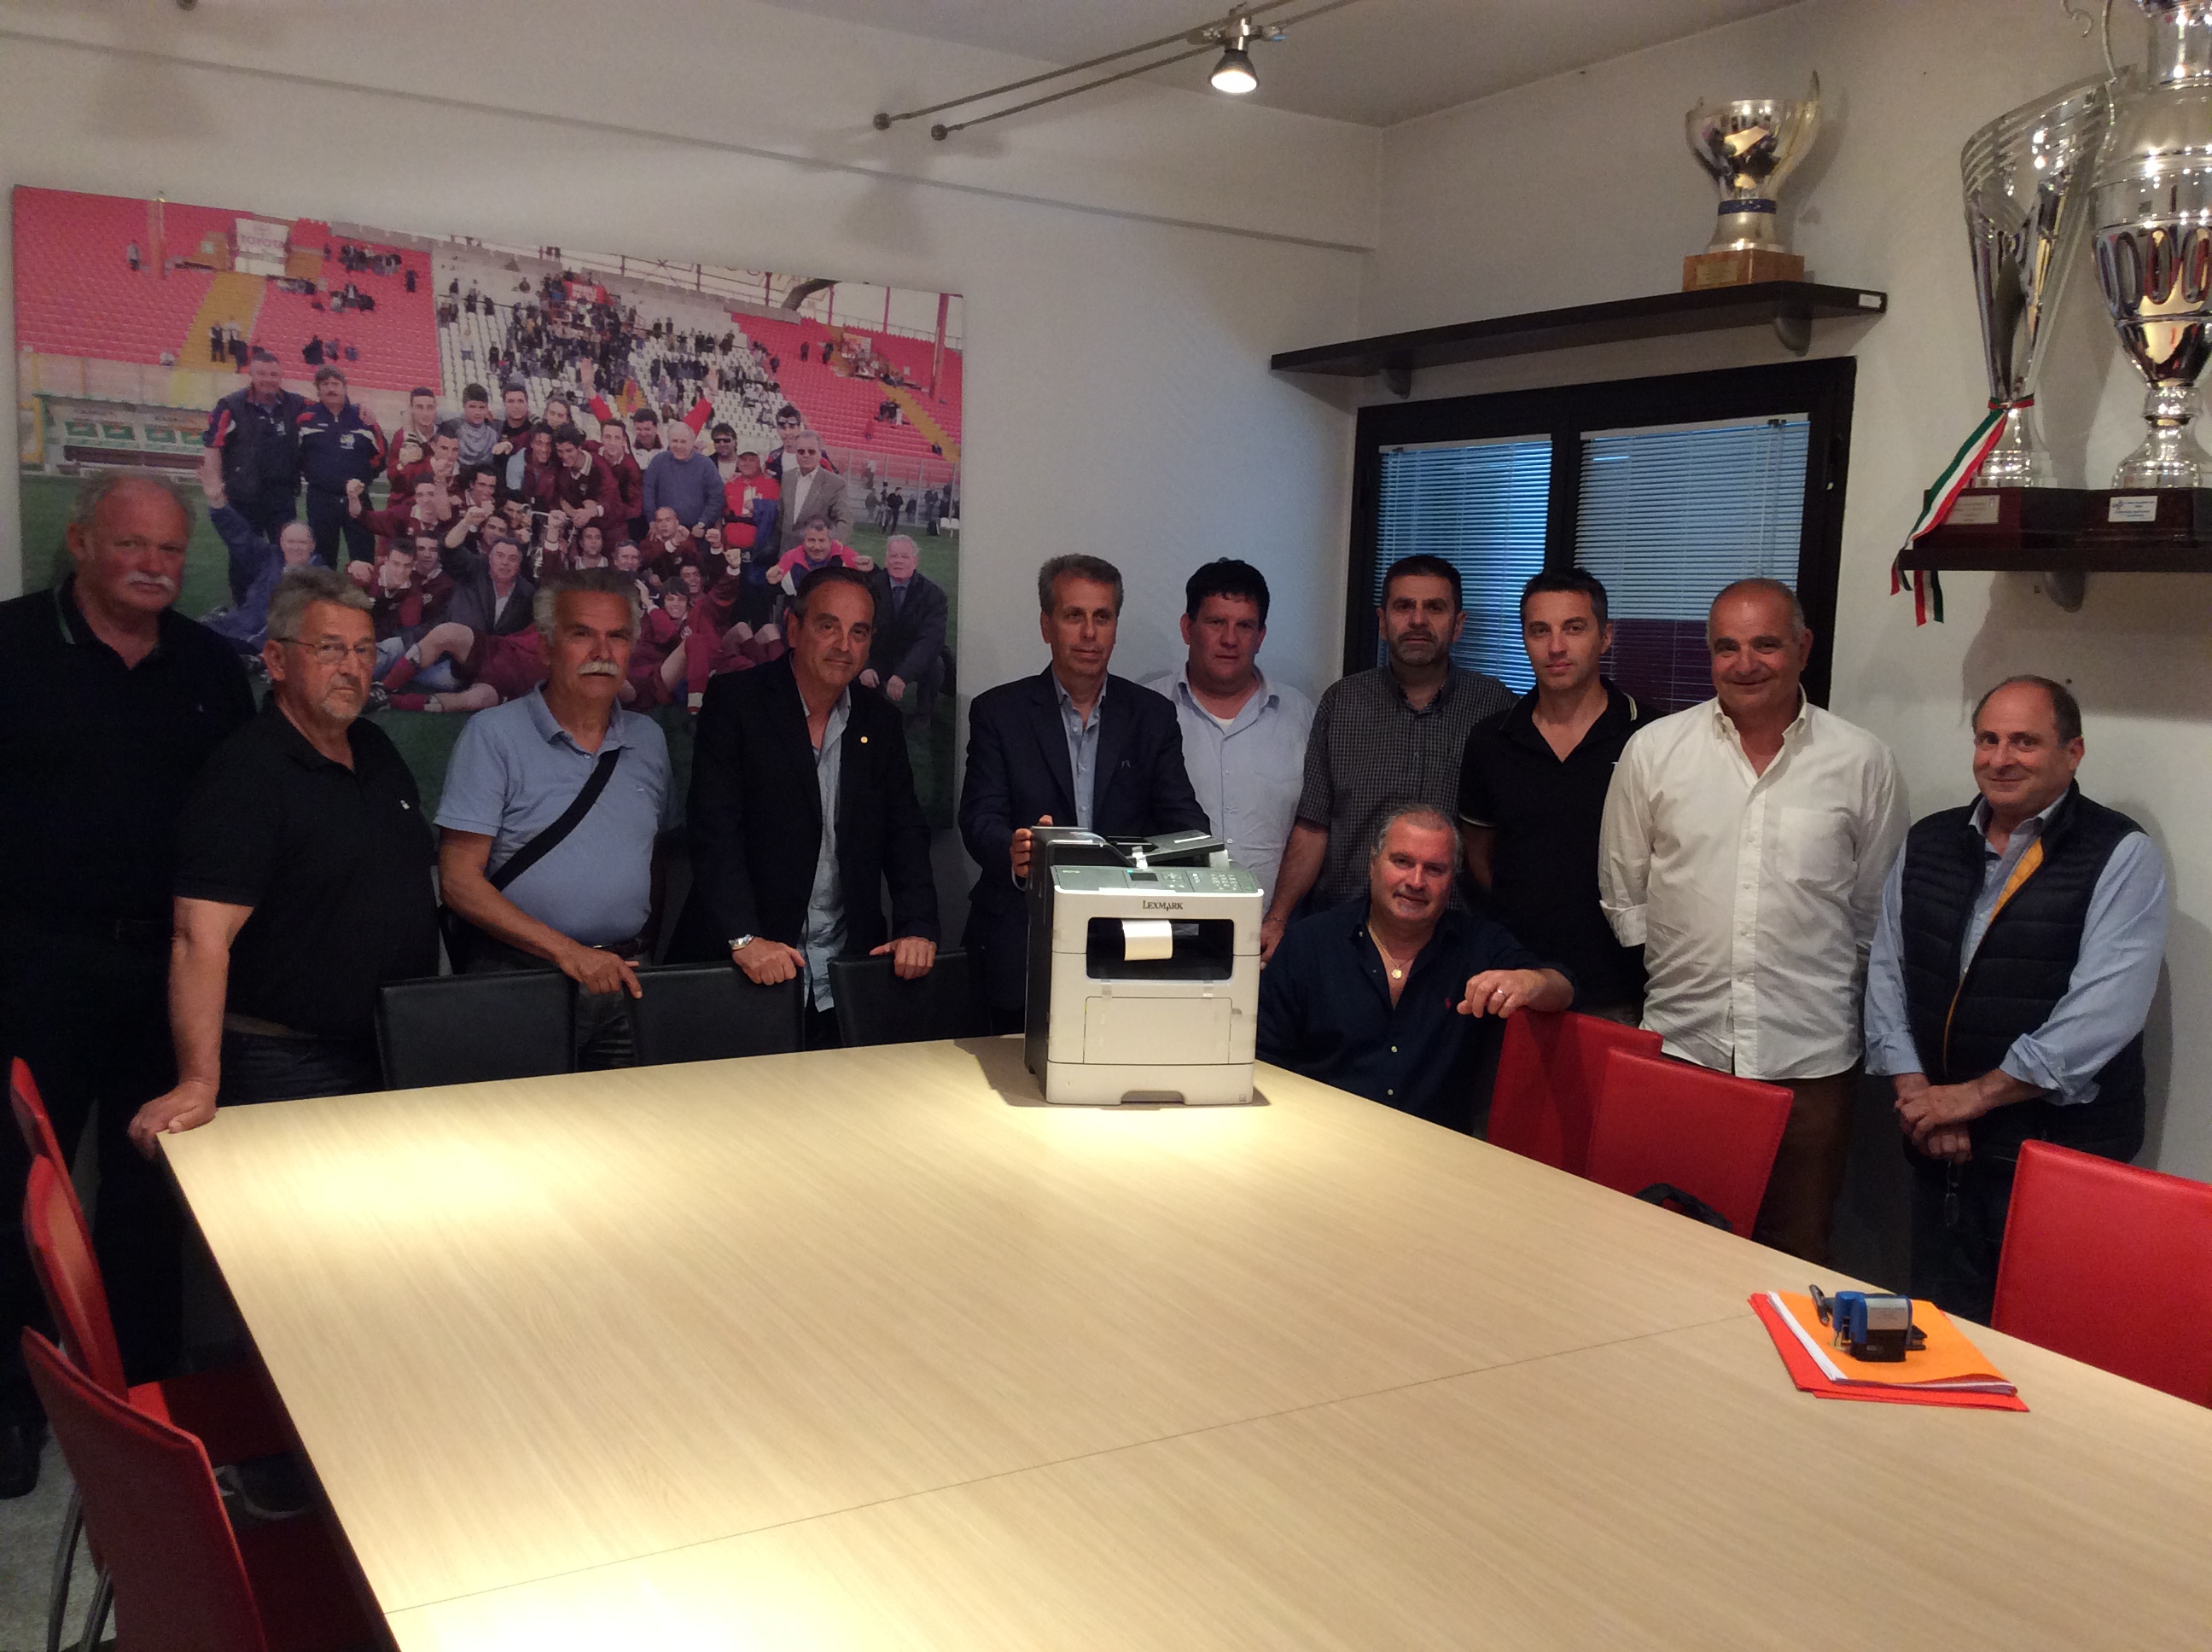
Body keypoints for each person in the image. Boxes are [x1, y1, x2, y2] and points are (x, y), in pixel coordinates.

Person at [0, 473, 254, 1498]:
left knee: (150, 1187)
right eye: (131, 545)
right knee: (17, 1187)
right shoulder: (13, 645)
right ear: (80, 543)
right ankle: (13, 1402)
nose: (153, 566)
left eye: (169, 550)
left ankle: (144, 1391)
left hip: (166, 965)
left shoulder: (207, 665)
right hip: (37, 961)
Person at [1598, 578, 1906, 1265]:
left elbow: (1874, 912)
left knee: (1795, 1251)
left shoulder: (1862, 762)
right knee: (1665, 1247)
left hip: (1809, 1060)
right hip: (1685, 1047)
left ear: (1803, 647)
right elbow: (1626, 893)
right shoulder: (1655, 751)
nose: (1744, 664)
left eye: (1765, 644)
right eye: (1726, 647)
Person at [1863, 676, 2168, 1323]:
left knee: (2043, 1339)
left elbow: (2102, 1014)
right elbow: (1889, 972)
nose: (2000, 759)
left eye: (2025, 742)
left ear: (2073, 752)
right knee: (1938, 1329)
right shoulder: (1930, 840)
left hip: (2058, 1155)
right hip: (1940, 1149)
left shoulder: (2120, 853)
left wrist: (1969, 1098)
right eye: (1988, 739)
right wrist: (1921, 1098)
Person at [131, 567, 436, 1125]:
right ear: (276, 660)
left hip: (395, 1045)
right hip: (287, 1061)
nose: (351, 667)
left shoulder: (374, 747)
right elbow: (198, 938)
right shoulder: (246, 776)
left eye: (364, 650)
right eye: (329, 648)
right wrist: (198, 1081)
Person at [680, 567, 940, 1047]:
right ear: (794, 628)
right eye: (828, 626)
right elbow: (714, 832)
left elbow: (905, 832)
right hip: (746, 967)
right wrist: (744, 938)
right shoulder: (738, 703)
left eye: (858, 632)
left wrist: (918, 927)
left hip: (844, 974)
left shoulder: (879, 721)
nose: (844, 645)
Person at [436, 569, 678, 1067]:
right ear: (546, 648)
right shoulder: (493, 736)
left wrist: (638, 949)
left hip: (627, 977)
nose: (601, 652)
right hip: (520, 980)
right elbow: (459, 882)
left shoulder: (649, 741)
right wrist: (567, 952)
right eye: (581, 634)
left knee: (631, 1116)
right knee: (524, 1118)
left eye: (617, 636)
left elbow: (654, 857)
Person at [958, 555, 1207, 1022]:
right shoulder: (999, 712)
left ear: (1115, 627)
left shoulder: (1151, 716)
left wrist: (1175, 862)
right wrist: (1015, 849)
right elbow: (978, 817)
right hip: (1021, 939)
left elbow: (1186, 823)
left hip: (1126, 942)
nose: (1089, 633)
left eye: (1102, 617)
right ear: (1046, 626)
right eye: (1074, 616)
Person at [1260, 806, 1573, 1131]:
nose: (1416, 881)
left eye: (1435, 869)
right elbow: (1265, 1060)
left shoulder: (1479, 945)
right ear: (1373, 864)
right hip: (1319, 1135)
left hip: (1434, 1149)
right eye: (1402, 862)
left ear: (1453, 879)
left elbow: (1564, 986)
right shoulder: (1309, 943)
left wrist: (1531, 982)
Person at [1261, 554, 1513, 960]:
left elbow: (1508, 840)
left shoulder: (1496, 711)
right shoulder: (1342, 704)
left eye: (1434, 607)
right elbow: (1312, 828)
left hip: (1458, 945)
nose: (1418, 620)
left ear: (1458, 624)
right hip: (1346, 937)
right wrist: (1278, 918)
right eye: (1403, 606)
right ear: (1382, 622)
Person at [1459, 568, 1645, 1021]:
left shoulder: (1650, 737)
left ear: (1605, 636)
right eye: (1540, 630)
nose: (1556, 647)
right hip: (1515, 981)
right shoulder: (1492, 740)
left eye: (1574, 628)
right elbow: (1480, 854)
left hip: (1622, 988)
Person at [1141, 558, 1313, 901]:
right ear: (1187, 628)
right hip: (1168, 920)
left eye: (1245, 626)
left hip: (1273, 926)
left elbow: (1314, 829)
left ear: (1260, 636)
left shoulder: (1301, 716)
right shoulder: (1145, 710)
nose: (1230, 639)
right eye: (1216, 622)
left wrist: (1279, 920)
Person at [201, 350, 306, 592]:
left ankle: (282, 603)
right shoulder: (230, 405)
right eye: (262, 374)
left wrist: (361, 410)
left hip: (281, 494)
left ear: (281, 376)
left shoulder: (297, 404)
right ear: (251, 375)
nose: (268, 379)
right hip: (243, 494)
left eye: (273, 374)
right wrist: (214, 485)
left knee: (287, 552)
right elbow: (213, 444)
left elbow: (327, 408)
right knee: (242, 553)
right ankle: (244, 604)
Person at [197, 451, 317, 657]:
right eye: (290, 542)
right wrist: (217, 501)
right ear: (281, 543)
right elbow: (239, 535)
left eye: (302, 543)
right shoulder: (268, 559)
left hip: (260, 643)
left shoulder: (319, 577)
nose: (295, 547)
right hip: (236, 625)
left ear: (312, 546)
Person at [297, 365, 386, 568]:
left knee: (363, 558)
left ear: (345, 388)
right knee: (321, 559)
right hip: (321, 499)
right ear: (318, 389)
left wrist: (362, 479)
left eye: (335, 384)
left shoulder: (363, 418)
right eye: (325, 384)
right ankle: (324, 590)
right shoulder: (306, 419)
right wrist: (319, 476)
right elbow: (296, 455)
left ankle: (361, 590)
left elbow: (380, 455)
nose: (331, 389)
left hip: (357, 499)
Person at [859, 534, 948, 723]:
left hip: (912, 655)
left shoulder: (933, 594)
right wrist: (864, 667)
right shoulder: (868, 588)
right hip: (877, 655)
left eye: (905, 557)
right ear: (886, 560)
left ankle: (922, 717)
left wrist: (903, 674)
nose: (898, 561)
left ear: (915, 562)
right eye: (894, 556)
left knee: (936, 665)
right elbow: (857, 631)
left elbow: (931, 641)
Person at [640, 417, 724, 539]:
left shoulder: (706, 465)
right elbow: (648, 492)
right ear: (669, 441)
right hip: (663, 533)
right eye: (675, 441)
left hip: (695, 532)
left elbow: (716, 497)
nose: (678, 446)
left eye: (683, 442)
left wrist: (703, 523)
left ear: (692, 442)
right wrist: (652, 521)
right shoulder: (658, 462)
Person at [771, 430, 847, 556]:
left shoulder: (835, 483)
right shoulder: (787, 477)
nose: (806, 455)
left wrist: (833, 546)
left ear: (820, 453)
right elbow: (781, 515)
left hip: (817, 555)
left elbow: (844, 519)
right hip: (786, 553)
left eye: (811, 451)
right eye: (801, 451)